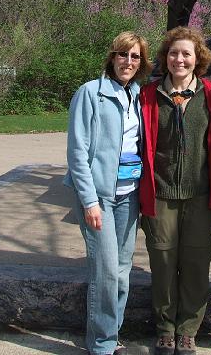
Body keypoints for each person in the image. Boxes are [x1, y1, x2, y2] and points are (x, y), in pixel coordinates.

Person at [63, 31, 152, 355]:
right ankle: (101, 344)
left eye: (135, 57)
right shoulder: (90, 93)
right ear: (112, 57)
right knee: (105, 272)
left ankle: (112, 335)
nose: (128, 62)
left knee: (122, 272)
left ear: (141, 63)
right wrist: (89, 201)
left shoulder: (139, 96)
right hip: (99, 196)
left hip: (129, 194)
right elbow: (77, 152)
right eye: (122, 55)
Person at [139, 26, 211, 355]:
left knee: (195, 262)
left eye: (186, 53)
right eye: (174, 53)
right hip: (161, 195)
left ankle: (188, 329)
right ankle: (164, 327)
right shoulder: (149, 95)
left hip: (200, 195)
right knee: (162, 262)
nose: (180, 59)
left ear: (197, 58)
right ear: (166, 57)